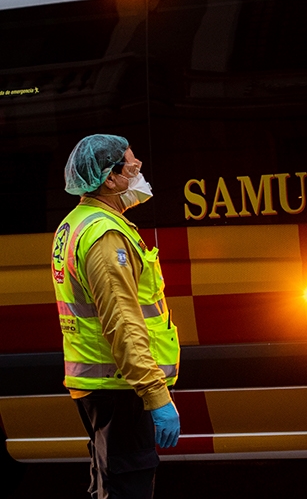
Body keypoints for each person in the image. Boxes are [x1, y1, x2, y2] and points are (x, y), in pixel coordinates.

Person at [51, 135, 181, 499]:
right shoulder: (105, 235)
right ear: (109, 179)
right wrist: (156, 395)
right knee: (127, 487)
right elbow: (123, 322)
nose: (138, 166)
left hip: (104, 383)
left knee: (108, 484)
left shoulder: (78, 222)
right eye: (130, 163)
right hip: (120, 386)